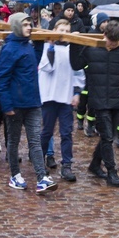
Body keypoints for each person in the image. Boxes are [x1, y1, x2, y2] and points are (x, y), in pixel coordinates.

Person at [70, 20, 119, 188]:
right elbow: (76, 64)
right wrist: (74, 45)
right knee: (108, 137)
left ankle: (95, 165)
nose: (110, 44)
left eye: (114, 41)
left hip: (118, 100)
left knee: (106, 136)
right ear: (104, 36)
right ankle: (112, 172)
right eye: (108, 40)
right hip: (99, 100)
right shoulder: (92, 48)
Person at [0, 12, 58, 194]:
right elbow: (2, 80)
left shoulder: (28, 45)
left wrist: (40, 43)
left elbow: (35, 61)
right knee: (13, 142)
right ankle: (15, 175)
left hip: (32, 103)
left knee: (35, 141)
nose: (29, 27)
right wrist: (6, 106)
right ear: (16, 26)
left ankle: (42, 178)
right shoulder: (9, 49)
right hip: (15, 105)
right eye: (25, 25)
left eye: (30, 24)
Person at [38, 19, 85, 182]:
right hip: (50, 96)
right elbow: (46, 67)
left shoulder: (72, 49)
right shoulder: (46, 46)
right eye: (61, 30)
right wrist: (50, 46)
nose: (64, 33)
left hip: (66, 97)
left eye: (67, 30)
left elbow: (78, 72)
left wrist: (77, 92)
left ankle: (66, 165)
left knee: (66, 133)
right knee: (47, 132)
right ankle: (40, 161)